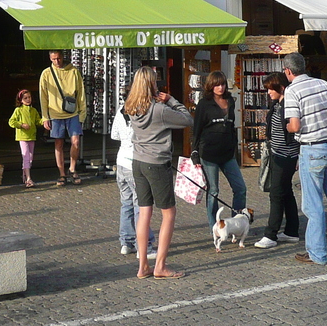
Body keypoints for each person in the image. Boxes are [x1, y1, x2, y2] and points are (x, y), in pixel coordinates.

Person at [283, 52, 327, 265]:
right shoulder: (322, 84)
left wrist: (287, 126)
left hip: (312, 149)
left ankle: (317, 252)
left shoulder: (292, 90)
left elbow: (295, 125)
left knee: (313, 205)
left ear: (287, 71)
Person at [126, 66, 193, 280]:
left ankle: (143, 265)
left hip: (138, 161)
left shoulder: (131, 106)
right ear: (152, 84)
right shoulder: (160, 109)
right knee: (168, 213)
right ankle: (160, 266)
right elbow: (187, 119)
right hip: (157, 163)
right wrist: (171, 100)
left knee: (144, 212)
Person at [191, 71, 247, 226]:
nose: (220, 87)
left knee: (240, 188)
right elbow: (197, 129)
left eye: (222, 84)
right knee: (213, 191)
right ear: (211, 86)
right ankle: (214, 227)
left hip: (228, 153)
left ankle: (237, 222)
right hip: (209, 153)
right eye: (216, 84)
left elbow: (231, 125)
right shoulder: (204, 103)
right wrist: (194, 152)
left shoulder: (230, 100)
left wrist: (235, 147)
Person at [254, 72, 300, 249]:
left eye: (270, 89)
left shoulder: (289, 105)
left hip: (286, 155)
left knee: (276, 193)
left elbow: (296, 130)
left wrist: (297, 154)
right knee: (286, 191)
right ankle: (291, 231)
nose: (268, 93)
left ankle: (270, 234)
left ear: (281, 88)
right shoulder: (276, 105)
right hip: (276, 153)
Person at [110, 88, 157, 260]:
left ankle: (126, 241)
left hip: (121, 162)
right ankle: (144, 245)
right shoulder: (140, 113)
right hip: (134, 163)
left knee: (126, 204)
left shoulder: (121, 110)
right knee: (141, 206)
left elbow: (114, 134)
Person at [38, 50, 86, 186]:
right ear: (50, 59)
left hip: (73, 112)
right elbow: (43, 96)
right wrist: (45, 117)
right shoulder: (46, 73)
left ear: (63, 57)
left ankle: (72, 168)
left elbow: (81, 93)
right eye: (53, 59)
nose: (56, 62)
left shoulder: (74, 72)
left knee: (75, 141)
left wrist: (82, 113)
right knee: (58, 143)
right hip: (55, 113)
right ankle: (62, 173)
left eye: (58, 58)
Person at [7, 89, 40, 188]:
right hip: (22, 136)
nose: (28, 99)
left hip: (31, 136)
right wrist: (21, 125)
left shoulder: (33, 110)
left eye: (29, 97)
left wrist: (45, 121)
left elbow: (38, 121)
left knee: (30, 158)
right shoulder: (18, 110)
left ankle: (25, 175)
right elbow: (11, 122)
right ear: (21, 100)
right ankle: (28, 178)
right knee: (25, 156)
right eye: (25, 98)